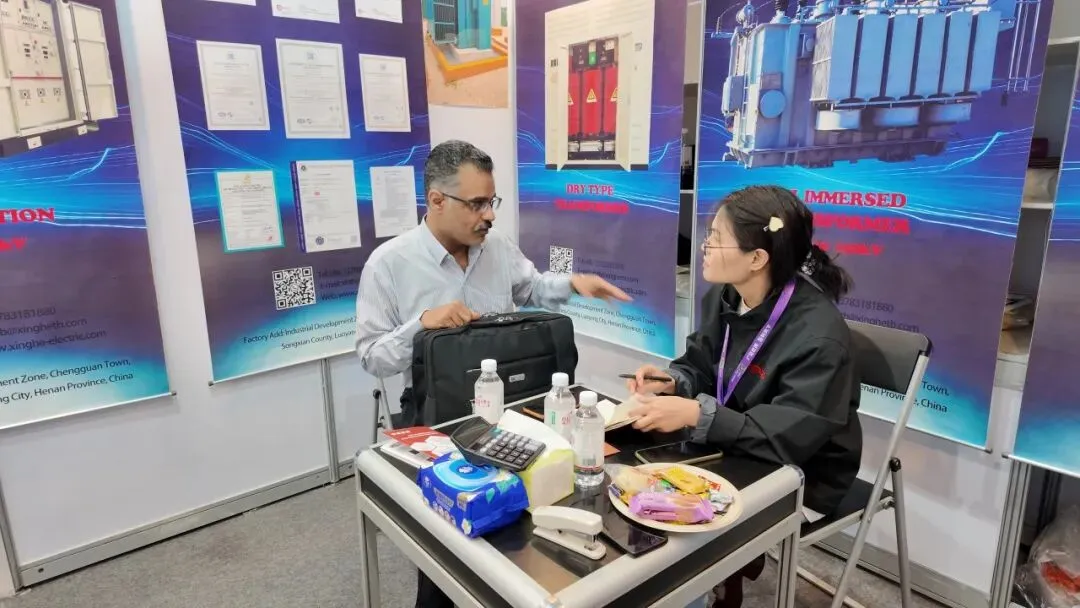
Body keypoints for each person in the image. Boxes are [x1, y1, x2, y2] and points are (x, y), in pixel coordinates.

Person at [355, 139, 629, 608]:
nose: (489, 215)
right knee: (446, 552)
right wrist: (421, 325)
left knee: (519, 537)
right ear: (436, 200)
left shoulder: (495, 245)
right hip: (439, 421)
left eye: (491, 201)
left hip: (511, 413)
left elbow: (531, 287)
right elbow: (371, 357)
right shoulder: (389, 264)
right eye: (477, 203)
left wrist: (572, 284)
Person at [626, 185, 862, 608]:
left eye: (716, 238)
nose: (704, 247)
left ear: (757, 258)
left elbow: (786, 438)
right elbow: (702, 362)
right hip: (736, 443)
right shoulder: (730, 295)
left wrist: (695, 414)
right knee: (643, 480)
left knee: (679, 522)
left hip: (801, 470)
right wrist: (674, 381)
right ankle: (719, 577)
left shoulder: (819, 339)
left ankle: (715, 579)